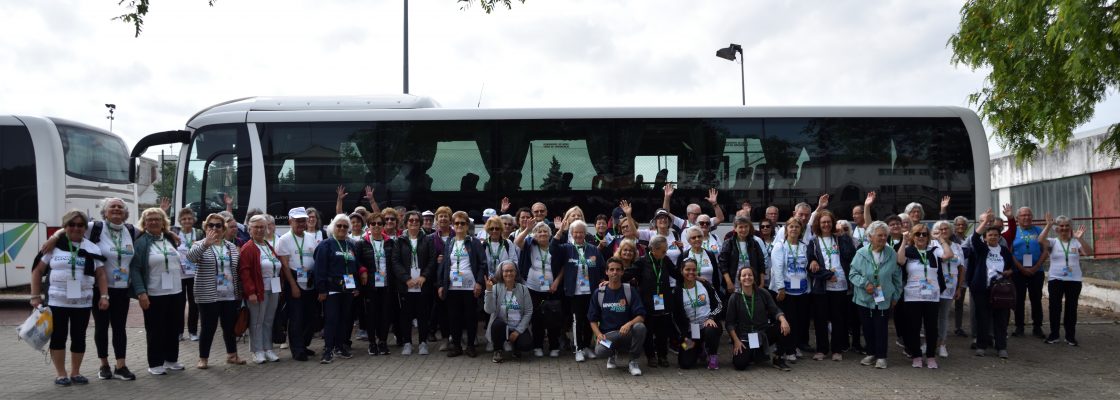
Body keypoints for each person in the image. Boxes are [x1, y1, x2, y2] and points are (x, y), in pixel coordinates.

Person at [30, 210, 109, 386]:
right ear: (65, 227)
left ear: (84, 228)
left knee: (79, 337)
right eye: (71, 224)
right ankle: (61, 374)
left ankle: (76, 372)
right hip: (57, 301)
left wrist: (104, 296)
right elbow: (37, 270)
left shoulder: (92, 248)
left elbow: (101, 275)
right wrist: (35, 296)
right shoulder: (54, 246)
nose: (76, 228)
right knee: (58, 337)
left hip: (83, 302)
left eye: (80, 225)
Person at [129, 208, 185, 375]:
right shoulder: (141, 242)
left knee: (173, 327)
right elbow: (135, 269)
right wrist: (141, 292)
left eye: (157, 219)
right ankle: (155, 363)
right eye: (149, 219)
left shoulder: (169, 238)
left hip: (175, 290)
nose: (153, 222)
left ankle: (171, 359)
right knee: (155, 329)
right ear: (144, 223)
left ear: (163, 222)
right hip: (154, 292)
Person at [188, 213, 245, 368]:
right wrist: (206, 244)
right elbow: (191, 258)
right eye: (211, 225)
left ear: (223, 228)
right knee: (208, 326)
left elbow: (236, 269)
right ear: (205, 227)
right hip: (208, 294)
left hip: (229, 293)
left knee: (229, 326)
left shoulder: (231, 247)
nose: (214, 228)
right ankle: (203, 358)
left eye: (218, 225)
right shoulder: (199, 244)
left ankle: (232, 355)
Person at [848, 221, 902, 369]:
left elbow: (897, 276)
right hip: (864, 298)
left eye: (885, 235)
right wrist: (865, 283)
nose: (883, 238)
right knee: (867, 327)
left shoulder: (891, 253)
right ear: (870, 237)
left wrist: (896, 295)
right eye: (880, 235)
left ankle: (882, 356)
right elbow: (852, 274)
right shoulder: (861, 253)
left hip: (883, 297)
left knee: (881, 327)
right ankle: (871, 353)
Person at [239, 214, 291, 364]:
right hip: (258, 290)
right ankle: (257, 351)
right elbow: (245, 272)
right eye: (256, 227)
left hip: (273, 289)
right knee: (257, 321)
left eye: (262, 227)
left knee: (269, 320)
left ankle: (268, 348)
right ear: (250, 229)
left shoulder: (267, 246)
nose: (260, 230)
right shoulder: (248, 248)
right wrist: (251, 292)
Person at [806, 210, 857, 361]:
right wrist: (826, 273)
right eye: (823, 222)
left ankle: (837, 349)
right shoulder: (813, 242)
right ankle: (822, 349)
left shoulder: (840, 239)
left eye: (828, 222)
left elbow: (850, 256)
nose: (826, 225)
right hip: (822, 287)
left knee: (838, 319)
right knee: (820, 319)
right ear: (818, 224)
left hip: (840, 286)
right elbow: (810, 267)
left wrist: (844, 237)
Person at [552, 219, 605, 362]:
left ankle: (587, 346)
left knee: (591, 319)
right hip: (575, 292)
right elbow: (553, 249)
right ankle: (578, 348)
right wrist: (559, 232)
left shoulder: (593, 249)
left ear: (585, 233)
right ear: (572, 233)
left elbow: (601, 268)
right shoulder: (566, 248)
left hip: (591, 291)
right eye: (576, 232)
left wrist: (602, 281)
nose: (579, 235)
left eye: (581, 232)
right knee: (577, 320)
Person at [897, 223, 947, 369]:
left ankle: (931, 356)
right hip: (912, 296)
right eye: (918, 234)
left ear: (928, 237)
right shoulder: (908, 250)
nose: (921, 237)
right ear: (913, 236)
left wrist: (941, 239)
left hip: (931, 296)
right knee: (913, 327)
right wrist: (904, 241)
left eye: (924, 234)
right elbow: (900, 260)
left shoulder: (934, 250)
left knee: (931, 327)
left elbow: (948, 255)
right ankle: (916, 355)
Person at [966, 209, 1015, 359]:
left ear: (999, 237)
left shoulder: (1005, 251)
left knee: (1000, 318)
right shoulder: (981, 249)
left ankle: (1001, 347)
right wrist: (986, 222)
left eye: (995, 235)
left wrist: (1009, 271)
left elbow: (1010, 266)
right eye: (990, 235)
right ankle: (981, 346)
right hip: (982, 289)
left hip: (1000, 290)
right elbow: (974, 237)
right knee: (983, 318)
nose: (993, 237)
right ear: (985, 238)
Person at [626, 236, 680, 368]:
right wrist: (610, 280)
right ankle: (651, 356)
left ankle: (663, 356)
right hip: (647, 303)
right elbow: (627, 274)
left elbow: (676, 274)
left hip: (663, 302)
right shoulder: (642, 261)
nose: (665, 253)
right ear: (654, 250)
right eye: (663, 251)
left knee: (663, 332)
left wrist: (693, 278)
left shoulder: (665, 260)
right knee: (648, 332)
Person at [437, 211, 485, 358]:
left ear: (467, 226)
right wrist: (441, 284)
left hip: (470, 287)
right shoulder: (450, 242)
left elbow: (483, 264)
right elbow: (445, 264)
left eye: (462, 223)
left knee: (470, 317)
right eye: (456, 223)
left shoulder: (474, 242)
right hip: (452, 287)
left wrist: (479, 283)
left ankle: (470, 346)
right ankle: (456, 346)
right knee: (454, 317)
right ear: (453, 225)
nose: (459, 226)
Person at [1038, 214, 1092, 346]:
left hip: (1074, 280)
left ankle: (1070, 336)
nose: (1064, 228)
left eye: (1067, 225)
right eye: (1061, 226)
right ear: (1057, 228)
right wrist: (1048, 225)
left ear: (1070, 227)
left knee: (1071, 308)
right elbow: (1040, 240)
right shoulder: (1052, 242)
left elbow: (1088, 253)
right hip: (1056, 279)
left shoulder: (1076, 241)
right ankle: (1054, 334)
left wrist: (1080, 238)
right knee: (1055, 307)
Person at [314, 214, 361, 364]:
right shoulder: (325, 245)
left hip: (347, 289)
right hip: (331, 289)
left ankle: (340, 347)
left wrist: (356, 286)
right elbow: (319, 269)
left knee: (344, 320)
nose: (342, 228)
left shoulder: (351, 245)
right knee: (331, 320)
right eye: (339, 226)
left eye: (345, 226)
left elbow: (355, 267)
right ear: (333, 227)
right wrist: (321, 290)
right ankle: (328, 350)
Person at [589, 258, 647, 376]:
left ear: (622, 272)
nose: (614, 272)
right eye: (612, 269)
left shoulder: (630, 290)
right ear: (607, 272)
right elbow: (592, 320)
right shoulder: (599, 293)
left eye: (618, 270)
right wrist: (598, 334)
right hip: (608, 336)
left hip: (626, 334)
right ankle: (612, 354)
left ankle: (633, 361)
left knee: (640, 327)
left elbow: (641, 316)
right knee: (600, 351)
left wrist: (629, 324)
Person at [725, 267, 791, 371]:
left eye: (750, 275)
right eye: (744, 275)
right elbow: (729, 323)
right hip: (744, 336)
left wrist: (783, 320)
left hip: (763, 333)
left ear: (754, 278)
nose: (747, 277)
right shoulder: (735, 297)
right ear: (739, 279)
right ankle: (754, 354)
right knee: (740, 364)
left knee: (783, 326)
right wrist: (736, 341)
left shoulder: (763, 293)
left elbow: (775, 310)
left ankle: (778, 358)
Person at [274, 207, 318, 361]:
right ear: (290, 221)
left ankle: (304, 345)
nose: (301, 223)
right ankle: (297, 349)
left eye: (303, 220)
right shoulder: (284, 240)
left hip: (310, 279)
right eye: (297, 221)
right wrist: (293, 285)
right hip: (293, 278)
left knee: (311, 316)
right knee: (296, 317)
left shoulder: (310, 237)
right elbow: (285, 265)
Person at [392, 211, 437, 356]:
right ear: (406, 223)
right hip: (406, 285)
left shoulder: (428, 240)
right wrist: (406, 279)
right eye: (411, 220)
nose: (414, 223)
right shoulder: (400, 240)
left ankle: (423, 343)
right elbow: (395, 262)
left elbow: (432, 260)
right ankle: (407, 343)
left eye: (417, 220)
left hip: (422, 284)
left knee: (423, 315)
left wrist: (424, 276)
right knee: (406, 315)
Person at [517, 222, 564, 357]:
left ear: (549, 234)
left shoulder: (556, 247)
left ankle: (554, 346)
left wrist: (556, 281)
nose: (542, 234)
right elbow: (517, 241)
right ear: (535, 235)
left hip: (552, 289)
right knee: (537, 318)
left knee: (553, 317)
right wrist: (527, 229)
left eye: (545, 231)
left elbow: (563, 267)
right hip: (533, 288)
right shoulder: (530, 245)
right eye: (539, 232)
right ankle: (538, 345)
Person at [669, 258, 724, 370]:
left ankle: (712, 355)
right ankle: (699, 348)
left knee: (711, 329)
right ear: (681, 271)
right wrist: (683, 337)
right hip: (690, 332)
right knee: (685, 363)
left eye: (694, 270)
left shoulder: (705, 284)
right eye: (687, 269)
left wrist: (711, 317)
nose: (691, 272)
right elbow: (674, 318)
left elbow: (719, 305)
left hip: (707, 326)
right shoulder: (677, 292)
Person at [769, 217, 810, 363]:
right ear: (786, 229)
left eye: (797, 227)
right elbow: (777, 268)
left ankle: (794, 346)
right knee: (787, 320)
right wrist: (780, 288)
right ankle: (787, 349)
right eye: (791, 227)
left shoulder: (804, 246)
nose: (794, 229)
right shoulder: (780, 246)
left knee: (798, 320)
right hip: (784, 290)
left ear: (801, 231)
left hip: (801, 289)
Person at [357, 212, 393, 356]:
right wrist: (363, 270)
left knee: (385, 314)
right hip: (370, 285)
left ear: (383, 226)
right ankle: (372, 342)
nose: (376, 226)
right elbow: (357, 261)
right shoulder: (361, 243)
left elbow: (393, 262)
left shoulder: (390, 242)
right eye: (373, 224)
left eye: (379, 223)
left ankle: (383, 342)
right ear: (369, 226)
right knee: (371, 314)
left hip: (386, 284)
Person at [484, 261, 534, 363]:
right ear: (501, 273)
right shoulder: (495, 288)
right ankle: (498, 350)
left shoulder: (523, 289)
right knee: (497, 324)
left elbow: (529, 311)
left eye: (511, 271)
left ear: (516, 272)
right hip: (501, 327)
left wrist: (518, 331)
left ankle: (516, 348)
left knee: (526, 345)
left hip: (517, 326)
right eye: (506, 271)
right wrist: (488, 291)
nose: (509, 273)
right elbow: (489, 310)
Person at [1009, 206, 1045, 338]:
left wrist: (1036, 267)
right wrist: (1021, 268)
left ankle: (1037, 327)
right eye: (1023, 215)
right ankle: (1019, 327)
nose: (1027, 217)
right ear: (1017, 218)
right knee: (1018, 299)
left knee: (1036, 299)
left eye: (1029, 215)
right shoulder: (1013, 232)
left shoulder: (1039, 231)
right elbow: (1010, 252)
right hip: (1018, 272)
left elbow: (1045, 251)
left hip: (1037, 271)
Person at [932, 221, 966, 358]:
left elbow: (962, 268)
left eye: (946, 229)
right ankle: (930, 342)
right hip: (933, 286)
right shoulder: (932, 245)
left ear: (951, 231)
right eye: (940, 229)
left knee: (944, 317)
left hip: (950, 286)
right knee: (931, 317)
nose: (944, 231)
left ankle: (942, 344)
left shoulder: (958, 247)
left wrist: (959, 288)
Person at [718, 216, 766, 291]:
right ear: (735, 228)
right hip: (734, 284)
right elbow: (723, 265)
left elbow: (761, 263)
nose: (743, 230)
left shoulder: (754, 243)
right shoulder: (728, 243)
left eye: (746, 226)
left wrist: (762, 282)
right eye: (740, 227)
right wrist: (729, 282)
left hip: (751, 282)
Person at [176, 208, 202, 344]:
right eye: (184, 219)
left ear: (193, 220)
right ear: (180, 221)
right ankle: (179, 332)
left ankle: (192, 331)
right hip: (179, 274)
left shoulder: (198, 233)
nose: (187, 221)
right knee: (179, 304)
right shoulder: (175, 233)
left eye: (189, 218)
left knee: (194, 303)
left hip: (195, 273)